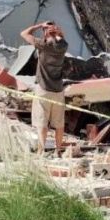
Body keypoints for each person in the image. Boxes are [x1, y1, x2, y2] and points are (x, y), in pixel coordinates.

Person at [20, 21, 68, 153]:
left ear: (46, 34)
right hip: (58, 90)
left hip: (43, 89)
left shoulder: (44, 45)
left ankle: (41, 150)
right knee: (59, 123)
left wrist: (40, 25)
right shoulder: (63, 46)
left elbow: (24, 33)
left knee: (42, 122)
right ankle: (58, 150)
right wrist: (57, 31)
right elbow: (61, 38)